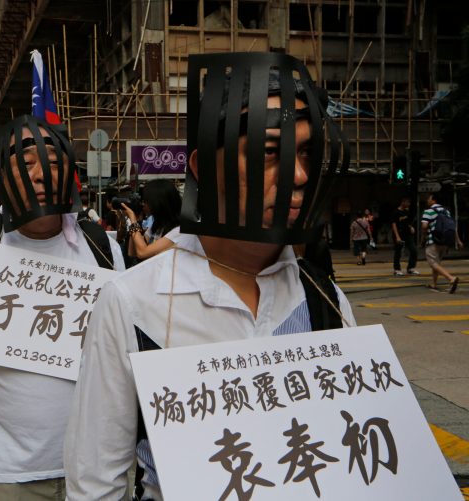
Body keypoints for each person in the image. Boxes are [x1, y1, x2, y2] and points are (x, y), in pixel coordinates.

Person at [64, 52, 356, 500]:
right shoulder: (132, 304)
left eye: (307, 154)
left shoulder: (325, 299)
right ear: (205, 168)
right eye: (271, 152)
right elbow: (95, 482)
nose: (298, 175)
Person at [0, 115, 125, 501]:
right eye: (27, 163)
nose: (40, 175)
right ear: (4, 175)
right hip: (6, 472)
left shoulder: (102, 248)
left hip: (96, 469)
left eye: (52, 163)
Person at [120, 179, 182, 261]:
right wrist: (134, 221)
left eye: (146, 201)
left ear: (158, 203)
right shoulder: (157, 227)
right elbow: (133, 252)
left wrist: (133, 220)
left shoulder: (178, 232)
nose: (143, 204)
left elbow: (142, 252)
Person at [421, 192, 463, 293]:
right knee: (437, 263)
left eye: (429, 198)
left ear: (434, 200)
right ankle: (434, 284)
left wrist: (423, 238)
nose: (427, 200)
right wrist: (458, 240)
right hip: (445, 241)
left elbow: (424, 227)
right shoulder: (446, 211)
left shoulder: (428, 211)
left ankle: (451, 278)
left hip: (433, 240)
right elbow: (453, 227)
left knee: (433, 263)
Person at [391, 196, 419, 276]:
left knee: (414, 250)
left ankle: (410, 268)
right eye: (407, 202)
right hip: (399, 234)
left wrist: (411, 227)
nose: (409, 204)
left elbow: (408, 222)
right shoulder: (395, 212)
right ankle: (397, 269)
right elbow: (394, 225)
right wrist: (397, 236)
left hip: (408, 234)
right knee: (398, 252)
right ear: (403, 202)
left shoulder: (407, 211)